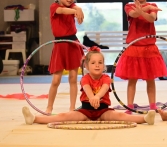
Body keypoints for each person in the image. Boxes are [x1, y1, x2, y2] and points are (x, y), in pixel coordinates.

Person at [22, 47, 156, 125]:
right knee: (64, 116)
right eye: (93, 63)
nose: (97, 65)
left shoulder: (106, 78)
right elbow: (87, 89)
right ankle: (34, 118)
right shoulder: (85, 78)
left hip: (103, 111)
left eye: (100, 62)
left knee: (122, 117)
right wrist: (93, 97)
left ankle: (145, 118)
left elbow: (103, 89)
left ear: (104, 65)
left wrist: (97, 97)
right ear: (86, 66)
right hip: (85, 111)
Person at [115, 0, 167, 114]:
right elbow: (133, 13)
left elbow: (151, 18)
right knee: (132, 80)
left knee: (150, 79)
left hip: (149, 47)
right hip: (134, 48)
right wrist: (140, 11)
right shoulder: (129, 6)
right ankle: (130, 106)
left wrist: (145, 11)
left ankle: (152, 106)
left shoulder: (153, 6)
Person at [46, 0, 85, 114]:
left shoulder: (73, 6)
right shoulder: (54, 7)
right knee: (56, 79)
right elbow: (62, 10)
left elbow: (74, 7)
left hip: (72, 43)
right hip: (60, 45)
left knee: (73, 78)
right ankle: (49, 107)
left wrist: (78, 8)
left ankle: (72, 107)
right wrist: (75, 10)